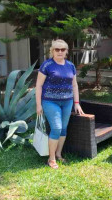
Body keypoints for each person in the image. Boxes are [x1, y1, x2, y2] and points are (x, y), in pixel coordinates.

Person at [36, 39, 84, 169]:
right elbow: (39, 86)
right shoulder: (47, 65)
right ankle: (51, 159)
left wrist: (77, 103)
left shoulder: (70, 66)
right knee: (56, 128)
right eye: (57, 49)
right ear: (52, 51)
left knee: (63, 128)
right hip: (50, 101)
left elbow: (74, 85)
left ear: (66, 51)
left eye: (63, 49)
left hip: (67, 102)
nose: (60, 52)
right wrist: (38, 105)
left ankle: (58, 154)